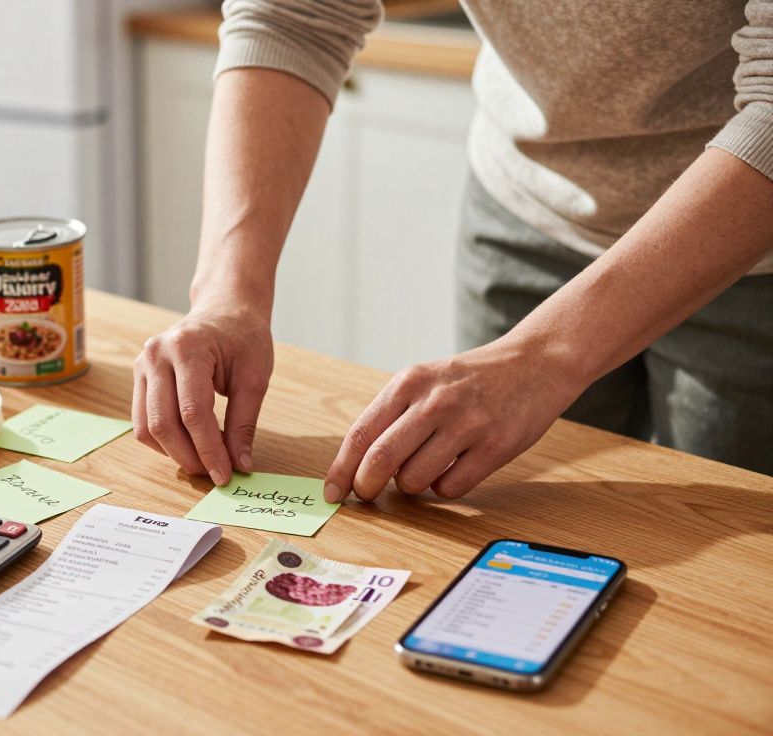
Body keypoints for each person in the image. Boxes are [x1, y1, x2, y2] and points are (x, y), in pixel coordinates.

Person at [131, 0, 773, 503]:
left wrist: (541, 359)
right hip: (522, 208)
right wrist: (226, 296)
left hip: (745, 247)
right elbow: (293, 15)